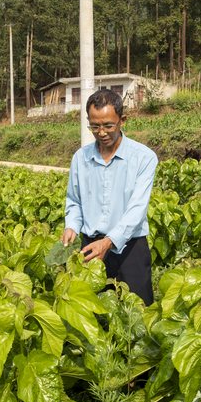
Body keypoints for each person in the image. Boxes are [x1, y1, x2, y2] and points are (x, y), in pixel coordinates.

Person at [61, 89, 159, 305]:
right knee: (92, 314)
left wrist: (108, 242)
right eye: (94, 126)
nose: (101, 132)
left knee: (137, 313)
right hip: (90, 247)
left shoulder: (144, 158)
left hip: (130, 249)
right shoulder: (80, 158)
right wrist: (72, 226)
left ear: (122, 120)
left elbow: (137, 210)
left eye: (108, 125)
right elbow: (74, 201)